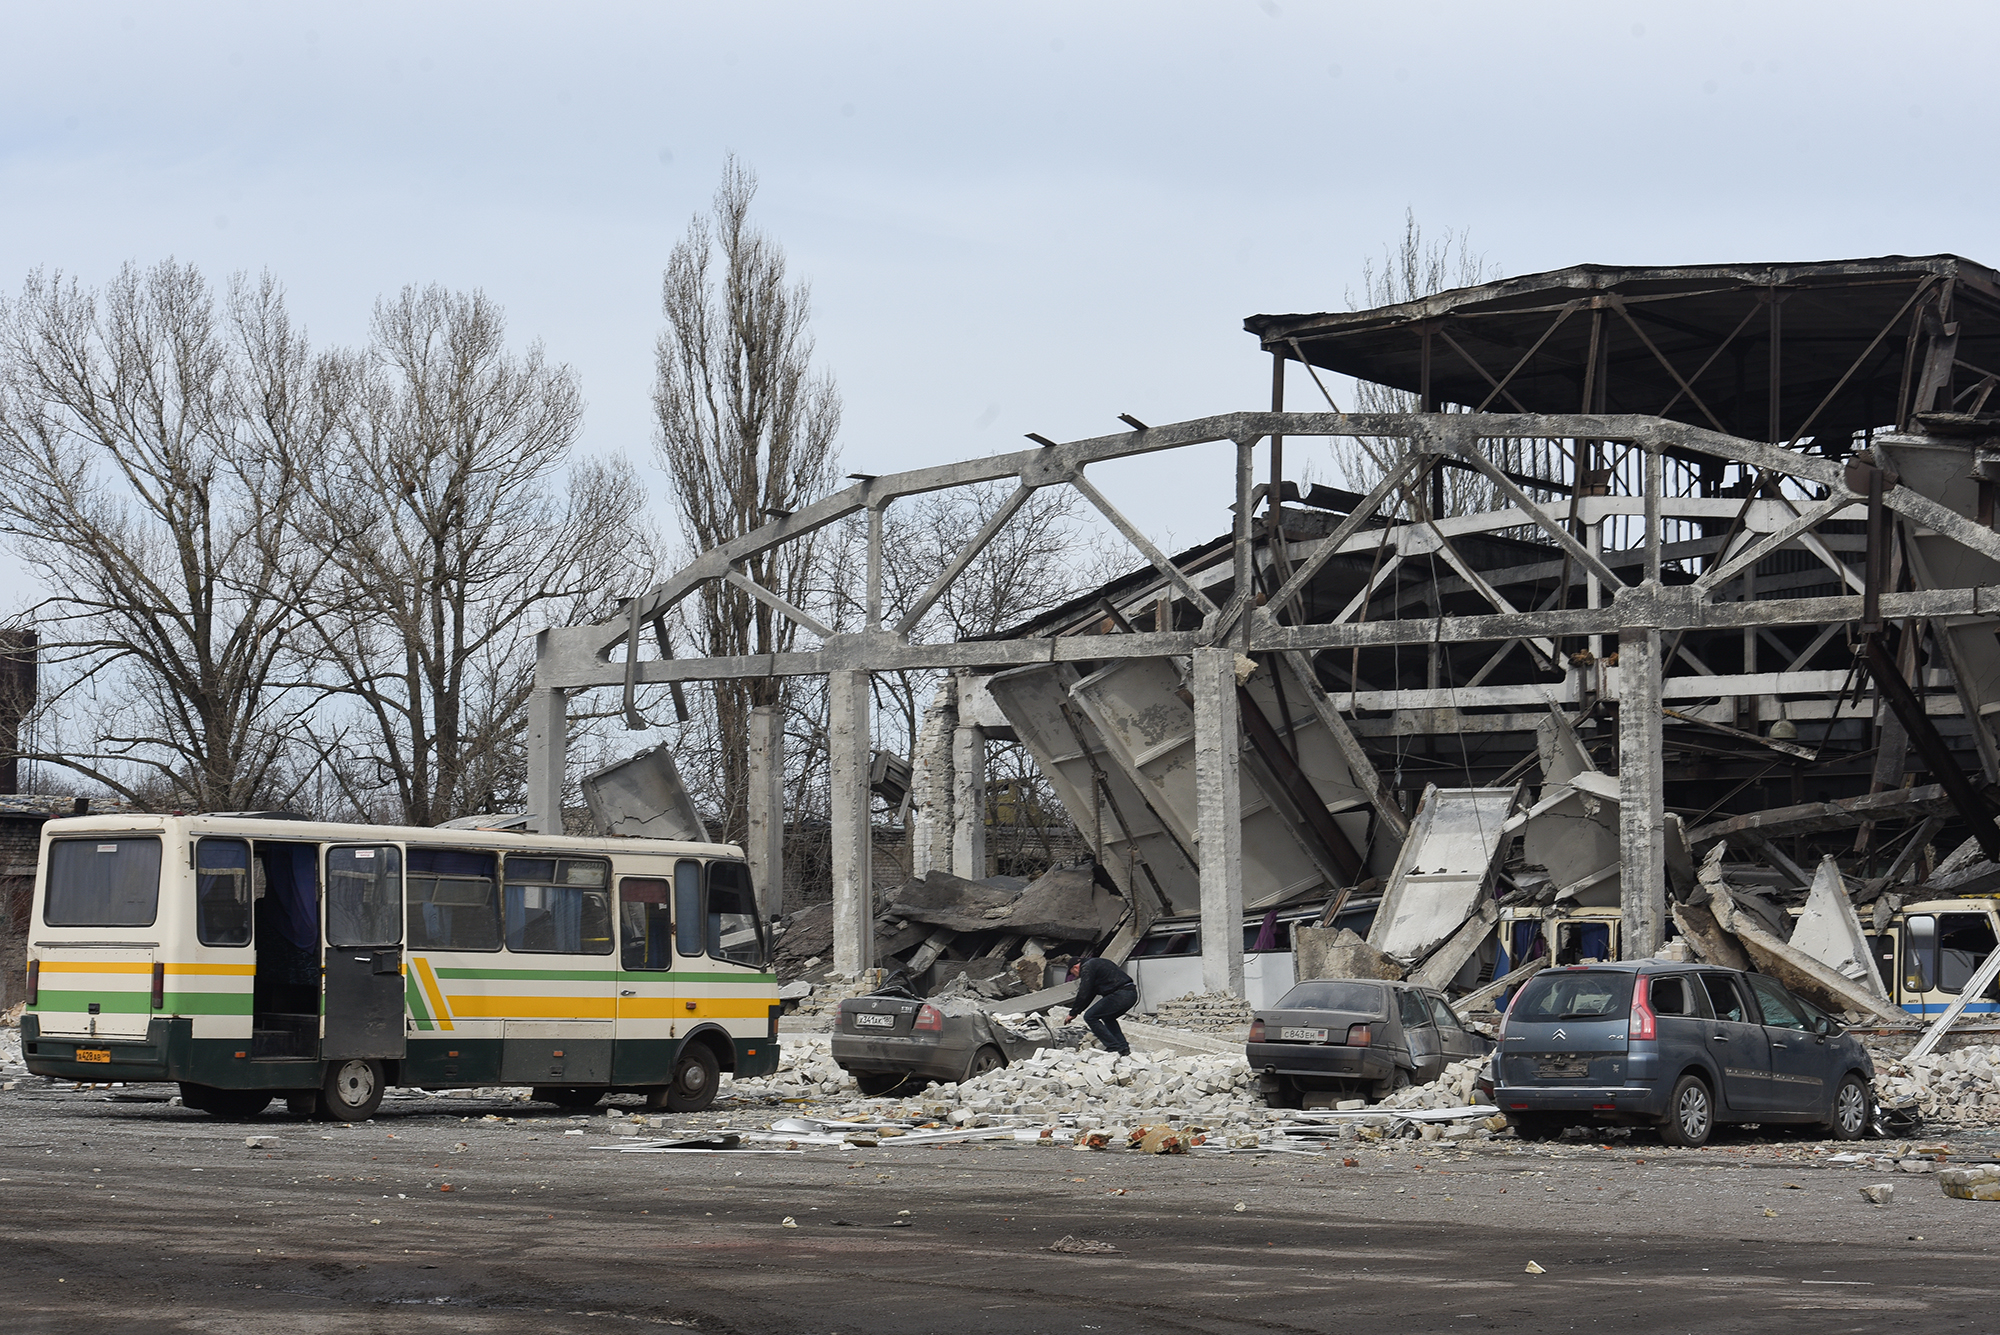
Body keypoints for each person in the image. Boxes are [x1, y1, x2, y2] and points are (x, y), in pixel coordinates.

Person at [1066, 951, 1137, 1057]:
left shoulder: (1087, 967)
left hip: (1120, 994)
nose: (1075, 976)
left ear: (1075, 967)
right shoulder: (1097, 963)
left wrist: (1073, 1012)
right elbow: (1090, 994)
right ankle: (1123, 1048)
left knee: (1090, 1016)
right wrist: (1076, 1012)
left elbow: (1084, 991)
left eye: (1073, 973)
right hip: (1131, 993)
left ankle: (1113, 1047)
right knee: (1108, 1018)